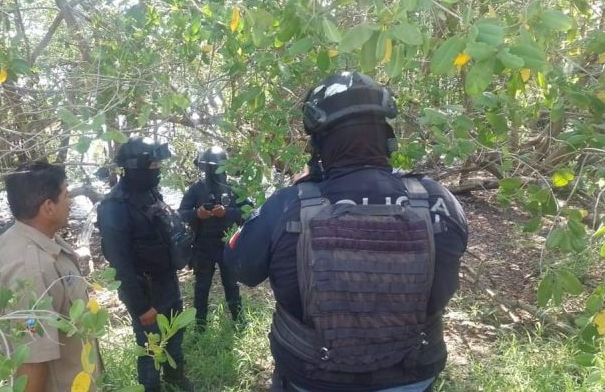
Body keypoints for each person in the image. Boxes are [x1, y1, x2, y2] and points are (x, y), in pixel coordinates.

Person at [225, 71, 469, 392]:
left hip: (312, 377)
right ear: (386, 134)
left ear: (320, 142)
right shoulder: (438, 201)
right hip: (412, 374)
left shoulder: (286, 206)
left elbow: (240, 266)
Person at [0, 161, 102, 392]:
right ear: (48, 207)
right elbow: (32, 358)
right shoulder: (32, 268)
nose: (70, 201)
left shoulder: (31, 238)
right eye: (66, 194)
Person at [96, 137, 192, 392]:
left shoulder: (149, 192)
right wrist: (141, 306)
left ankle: (175, 378)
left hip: (168, 284)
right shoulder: (114, 207)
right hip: (145, 293)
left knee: (175, 338)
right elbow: (120, 264)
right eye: (152, 166)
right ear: (135, 166)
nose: (157, 170)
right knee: (150, 350)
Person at [179, 146, 245, 331]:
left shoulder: (234, 188)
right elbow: (181, 214)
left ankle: (239, 322)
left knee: (232, 285)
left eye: (215, 166)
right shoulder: (196, 189)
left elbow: (248, 213)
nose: (211, 171)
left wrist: (227, 212)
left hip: (227, 244)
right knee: (202, 288)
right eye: (207, 167)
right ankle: (200, 328)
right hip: (202, 246)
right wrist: (197, 214)